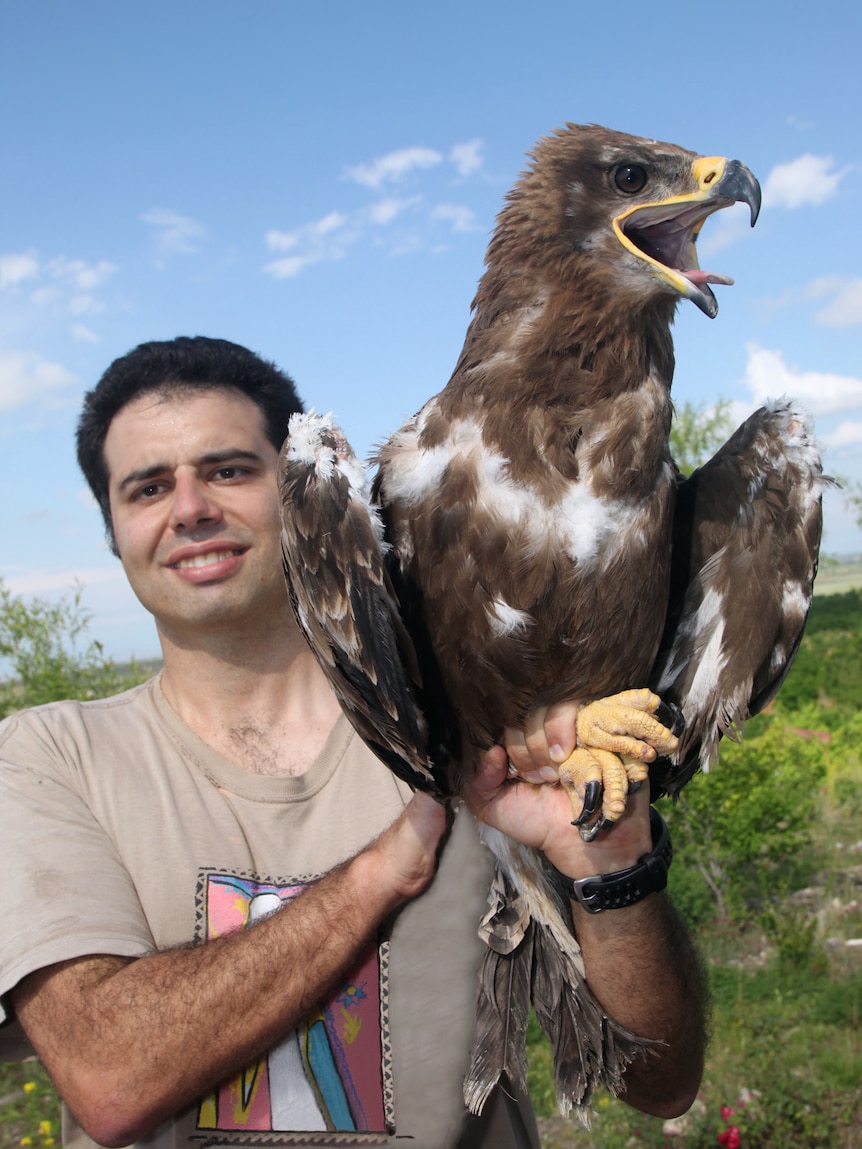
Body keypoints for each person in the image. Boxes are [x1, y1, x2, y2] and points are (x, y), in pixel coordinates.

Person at [0, 337, 706, 1149]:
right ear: (113, 530)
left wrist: (614, 866)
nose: (190, 507)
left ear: (300, 486)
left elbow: (662, 1080)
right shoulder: (48, 759)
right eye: (148, 487)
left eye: (229, 470)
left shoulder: (471, 737)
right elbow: (111, 1076)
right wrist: (381, 871)